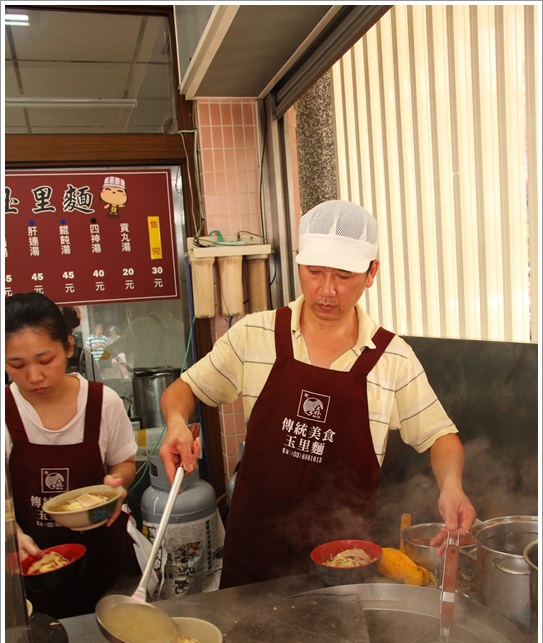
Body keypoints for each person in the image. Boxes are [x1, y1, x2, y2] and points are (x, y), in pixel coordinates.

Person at [159, 200, 476, 588]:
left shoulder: (393, 359)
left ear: (372, 272)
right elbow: (185, 388)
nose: (327, 290)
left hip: (345, 566)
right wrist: (176, 422)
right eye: (314, 272)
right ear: (297, 261)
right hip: (253, 560)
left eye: (344, 276)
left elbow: (440, 437)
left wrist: (452, 486)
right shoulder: (255, 334)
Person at [5, 292, 141, 617]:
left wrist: (117, 483)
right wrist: (11, 534)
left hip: (107, 561)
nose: (34, 376)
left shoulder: (102, 402)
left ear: (68, 346)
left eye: (45, 360)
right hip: (36, 565)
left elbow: (124, 463)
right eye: (16, 365)